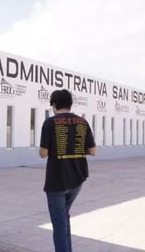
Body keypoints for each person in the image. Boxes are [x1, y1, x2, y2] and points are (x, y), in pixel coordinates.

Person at [39, 89, 96, 252]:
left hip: (57, 181)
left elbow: (43, 154)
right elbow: (92, 151)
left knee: (59, 224)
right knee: (64, 217)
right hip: (77, 180)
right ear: (70, 104)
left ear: (54, 104)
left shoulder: (50, 123)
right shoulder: (83, 122)